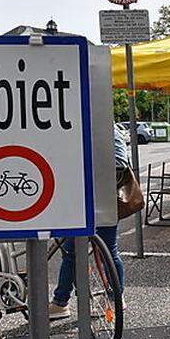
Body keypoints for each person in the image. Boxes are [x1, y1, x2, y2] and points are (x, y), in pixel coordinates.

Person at [51, 126, 129, 319]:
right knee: (101, 251)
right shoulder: (110, 129)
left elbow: (119, 164)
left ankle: (62, 302)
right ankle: (114, 298)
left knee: (78, 252)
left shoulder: (99, 126)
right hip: (100, 199)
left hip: (93, 200)